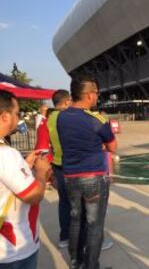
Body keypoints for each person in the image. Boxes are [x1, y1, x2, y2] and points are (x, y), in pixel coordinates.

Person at [57, 75, 117, 269]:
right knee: (94, 224)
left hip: (70, 176)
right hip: (93, 176)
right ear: (90, 95)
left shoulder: (61, 116)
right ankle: (91, 266)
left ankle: (76, 262)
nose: (97, 97)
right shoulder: (96, 119)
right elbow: (113, 146)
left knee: (76, 219)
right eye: (97, 93)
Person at [0, 90, 50, 268]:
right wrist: (41, 173)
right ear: (5, 116)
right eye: (16, 113)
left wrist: (24, 166)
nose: (18, 117)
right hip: (13, 248)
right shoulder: (6, 154)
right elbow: (33, 196)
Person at [47, 89, 72, 248]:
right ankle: (89, 239)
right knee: (80, 203)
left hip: (57, 165)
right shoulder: (65, 117)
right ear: (66, 101)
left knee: (64, 202)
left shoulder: (49, 118)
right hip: (70, 165)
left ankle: (65, 237)